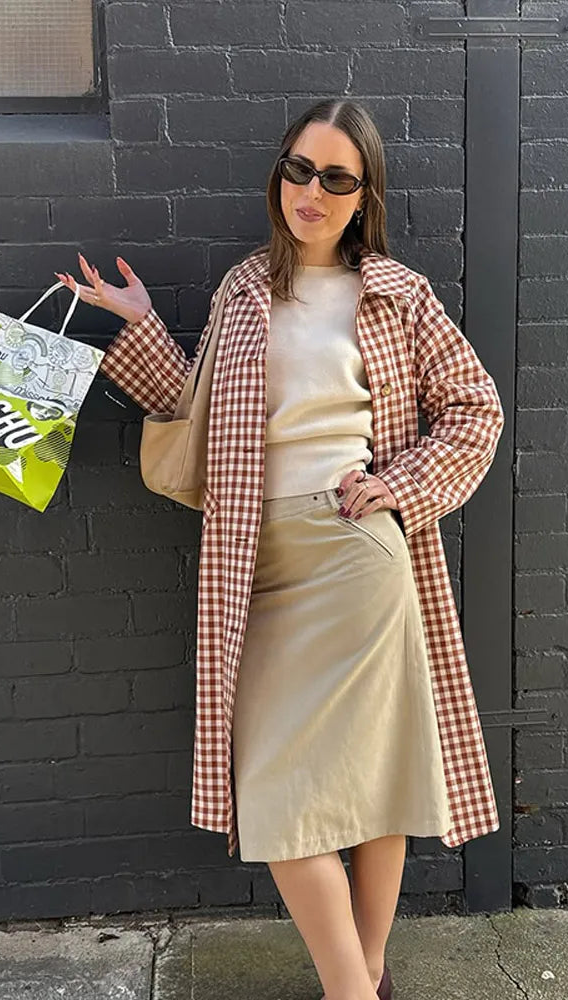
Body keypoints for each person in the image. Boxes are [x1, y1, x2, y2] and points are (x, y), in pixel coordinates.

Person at [55, 98, 505, 1000]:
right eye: (300, 169)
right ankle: (363, 985)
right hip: (257, 557)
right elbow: (202, 416)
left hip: (355, 554)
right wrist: (140, 324)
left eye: (336, 177)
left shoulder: (397, 292)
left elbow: (475, 407)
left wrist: (403, 486)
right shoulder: (243, 290)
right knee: (276, 789)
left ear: (363, 193)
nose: (311, 191)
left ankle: (354, 988)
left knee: (378, 780)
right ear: (280, 176)